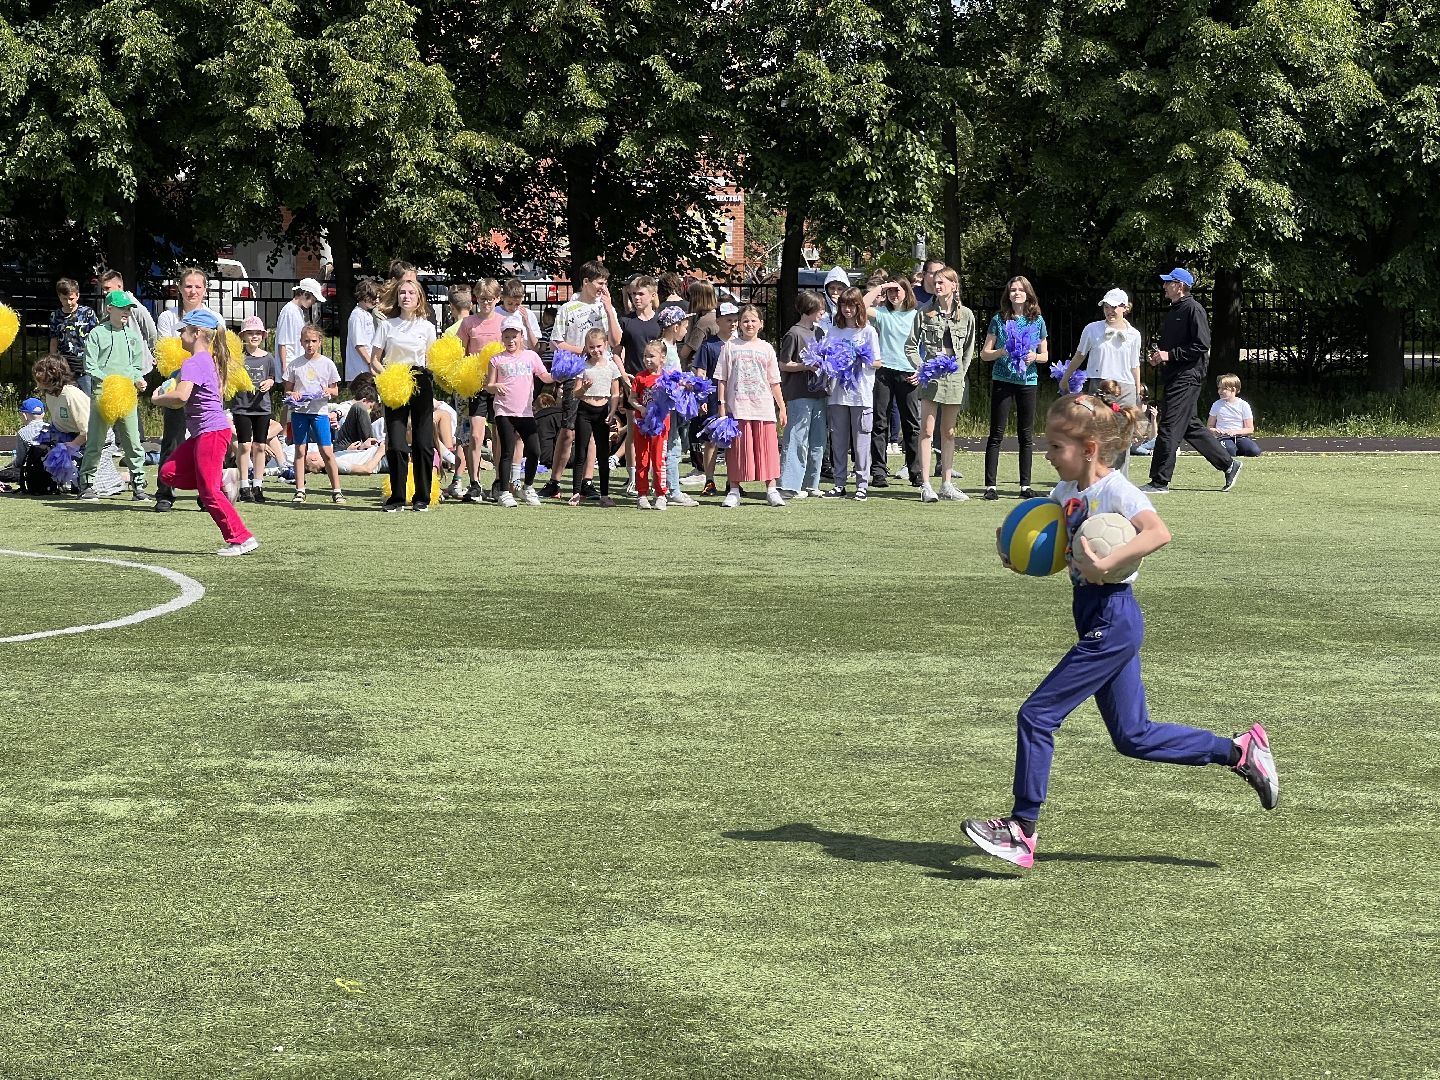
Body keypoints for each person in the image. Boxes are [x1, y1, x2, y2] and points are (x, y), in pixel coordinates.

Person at [962, 390, 1278, 867]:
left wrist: (1106, 562)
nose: (1048, 455)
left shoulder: (1117, 491)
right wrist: (1020, 554)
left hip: (1113, 616)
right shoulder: (1064, 494)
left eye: (1055, 447)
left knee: (1037, 714)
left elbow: (1159, 533)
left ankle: (1022, 830)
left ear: (1089, 449)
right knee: (1134, 736)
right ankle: (1239, 752)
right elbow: (1054, 546)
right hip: (1093, 615)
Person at [151, 309, 258, 555]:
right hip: (205, 433)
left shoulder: (194, 362)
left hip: (211, 433)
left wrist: (158, 399)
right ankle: (221, 479)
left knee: (209, 493)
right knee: (168, 473)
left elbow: (180, 397)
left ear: (197, 333)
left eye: (183, 331)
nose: (179, 336)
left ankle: (241, 539)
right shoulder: (204, 360)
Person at [1141, 268, 1242, 494]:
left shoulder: (1193, 309)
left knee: (1168, 427)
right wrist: (1161, 356)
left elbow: (1201, 345)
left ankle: (1159, 482)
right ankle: (1229, 464)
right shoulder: (1176, 309)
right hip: (1177, 376)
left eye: (1168, 283)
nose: (1164, 286)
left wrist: (1170, 355)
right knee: (1190, 427)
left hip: (1187, 377)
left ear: (1180, 286)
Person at [543, 261, 621, 500]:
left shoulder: (604, 307)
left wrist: (608, 309)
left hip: (601, 374)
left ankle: (587, 481)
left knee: (595, 429)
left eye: (605, 283)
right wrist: (585, 351)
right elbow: (557, 342)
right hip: (576, 373)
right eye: (599, 282)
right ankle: (555, 481)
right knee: (568, 430)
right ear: (586, 282)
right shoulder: (569, 307)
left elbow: (616, 341)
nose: (603, 287)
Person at [369, 278, 439, 511]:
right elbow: (374, 361)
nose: (406, 296)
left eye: (411, 293)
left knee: (422, 443)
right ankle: (397, 497)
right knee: (397, 443)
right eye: (402, 293)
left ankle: (422, 497)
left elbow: (432, 361)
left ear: (419, 298)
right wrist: (388, 378)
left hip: (420, 381)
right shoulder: (387, 325)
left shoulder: (427, 327)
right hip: (395, 381)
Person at [154, 267, 220, 513]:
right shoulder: (168, 317)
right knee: (172, 439)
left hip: (204, 389)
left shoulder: (215, 318)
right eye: (188, 286)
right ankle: (164, 493)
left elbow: (221, 355)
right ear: (180, 288)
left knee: (206, 442)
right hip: (178, 384)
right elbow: (165, 354)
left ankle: (208, 493)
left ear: (205, 289)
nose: (193, 291)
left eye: (198, 286)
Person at [78, 290, 152, 502]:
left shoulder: (132, 335)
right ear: (109, 308)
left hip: (127, 396)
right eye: (123, 308)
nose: (127, 312)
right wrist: (110, 381)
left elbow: (136, 366)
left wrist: (138, 378)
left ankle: (139, 486)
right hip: (103, 395)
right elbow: (90, 365)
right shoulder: (97, 334)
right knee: (96, 441)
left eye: (129, 309)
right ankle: (86, 485)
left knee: (133, 442)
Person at [979, 276, 1048, 500]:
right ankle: (991, 486)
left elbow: (1045, 356)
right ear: (1007, 294)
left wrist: (1034, 356)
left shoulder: (1037, 321)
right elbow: (984, 354)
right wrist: (1002, 352)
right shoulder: (999, 319)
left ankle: (1025, 486)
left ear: (1028, 294)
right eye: (1012, 290)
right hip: (1003, 379)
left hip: (1028, 381)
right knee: (996, 433)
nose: (1016, 293)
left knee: (1025, 435)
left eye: (1020, 290)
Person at [482, 313, 561, 507]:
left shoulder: (531, 356)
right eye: (507, 337)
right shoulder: (496, 359)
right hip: (504, 411)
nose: (510, 340)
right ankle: (503, 491)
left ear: (521, 337)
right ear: (502, 338)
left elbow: (545, 377)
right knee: (507, 451)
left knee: (534, 450)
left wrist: (561, 373)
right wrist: (495, 387)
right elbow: (488, 385)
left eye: (514, 336)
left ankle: (528, 487)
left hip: (525, 412)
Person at [1061, 288, 1142, 472]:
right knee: (1097, 434)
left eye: (1114, 307)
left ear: (1124, 307)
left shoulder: (1134, 334)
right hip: (1100, 386)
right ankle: (1095, 476)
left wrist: (1137, 393)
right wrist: (1066, 378)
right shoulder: (1092, 329)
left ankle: (1121, 480)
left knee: (1123, 437)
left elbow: (1134, 365)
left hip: (1126, 388)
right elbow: (1079, 355)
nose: (1109, 311)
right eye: (1106, 306)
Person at [715, 304, 786, 508]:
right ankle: (734, 490)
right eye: (745, 320)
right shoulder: (730, 347)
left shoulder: (766, 348)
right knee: (738, 451)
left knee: (767, 450)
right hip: (738, 408)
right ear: (739, 323)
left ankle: (771, 489)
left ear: (761, 324)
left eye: (753, 320)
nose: (749, 324)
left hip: (763, 407)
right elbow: (722, 378)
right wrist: (722, 405)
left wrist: (781, 406)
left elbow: (774, 380)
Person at [915, 266, 975, 503]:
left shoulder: (966, 315)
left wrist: (961, 374)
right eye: (935, 282)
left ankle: (947, 483)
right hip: (931, 377)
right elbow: (911, 345)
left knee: (948, 432)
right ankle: (926, 484)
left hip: (954, 378)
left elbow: (969, 350)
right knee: (927, 430)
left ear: (953, 286)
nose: (937, 286)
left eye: (942, 282)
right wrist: (922, 366)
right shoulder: (924, 312)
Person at [821, 288, 884, 501]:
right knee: (838, 440)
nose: (847, 309)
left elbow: (877, 362)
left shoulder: (868, 331)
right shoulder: (834, 330)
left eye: (852, 305)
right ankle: (839, 483)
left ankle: (861, 484)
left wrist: (859, 358)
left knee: (861, 442)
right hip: (837, 394)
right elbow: (826, 357)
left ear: (859, 307)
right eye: (843, 305)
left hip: (861, 393)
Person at [863, 275, 922, 488]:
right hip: (884, 373)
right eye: (890, 291)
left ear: (906, 291)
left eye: (897, 290)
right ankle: (878, 471)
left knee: (912, 425)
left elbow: (929, 346)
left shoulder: (917, 315)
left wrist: (922, 371)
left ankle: (915, 472)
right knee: (880, 423)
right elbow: (860, 306)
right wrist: (880, 286)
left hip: (909, 373)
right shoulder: (882, 313)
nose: (894, 294)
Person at [777, 290, 827, 498]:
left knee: (817, 439)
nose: (822, 314)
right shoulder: (794, 333)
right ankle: (789, 484)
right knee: (797, 438)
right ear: (809, 309)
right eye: (819, 310)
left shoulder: (819, 333)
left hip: (819, 392)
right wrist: (805, 366)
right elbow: (783, 364)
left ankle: (811, 483)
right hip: (799, 393)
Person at [286, 324, 343, 504]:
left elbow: (335, 390)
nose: (310, 345)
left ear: (320, 342)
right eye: (306, 341)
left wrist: (327, 391)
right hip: (300, 412)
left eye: (313, 341)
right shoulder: (295, 365)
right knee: (300, 450)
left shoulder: (327, 364)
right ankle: (300, 489)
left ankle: (337, 490)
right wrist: (293, 394)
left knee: (326, 451)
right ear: (301, 342)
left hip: (319, 412)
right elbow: (287, 390)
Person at [690, 300, 739, 496]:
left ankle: (732, 481)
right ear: (718, 321)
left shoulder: (740, 344)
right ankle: (709, 481)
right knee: (711, 441)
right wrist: (701, 398)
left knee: (732, 440)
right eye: (729, 320)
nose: (733, 324)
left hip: (736, 398)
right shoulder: (709, 345)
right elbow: (700, 372)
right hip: (712, 399)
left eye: (736, 319)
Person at [570, 327, 623, 507]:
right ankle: (576, 492)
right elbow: (575, 393)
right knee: (581, 452)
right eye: (591, 347)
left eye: (599, 346)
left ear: (606, 345)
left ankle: (605, 494)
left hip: (603, 411)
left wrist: (612, 411)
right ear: (586, 347)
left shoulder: (611, 366)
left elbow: (615, 393)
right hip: (584, 410)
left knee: (603, 453)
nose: (595, 350)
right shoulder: (583, 366)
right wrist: (583, 388)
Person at [231, 315, 280, 503]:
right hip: (242, 406)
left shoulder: (268, 358)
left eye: (257, 333)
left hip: (262, 408)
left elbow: (272, 378)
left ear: (263, 335)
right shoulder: (238, 357)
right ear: (243, 336)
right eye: (250, 333)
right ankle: (244, 485)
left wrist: (269, 382)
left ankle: (258, 485)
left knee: (260, 445)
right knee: (244, 445)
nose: (254, 336)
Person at [656, 305, 698, 506]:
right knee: (672, 446)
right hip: (667, 406)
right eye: (684, 325)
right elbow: (667, 379)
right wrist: (686, 384)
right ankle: (672, 490)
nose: (686, 329)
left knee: (672, 445)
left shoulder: (668, 347)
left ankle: (668, 488)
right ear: (674, 327)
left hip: (670, 405)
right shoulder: (665, 349)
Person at [31, 355, 91, 495]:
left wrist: (70, 446)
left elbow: (89, 430)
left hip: (93, 440)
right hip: (69, 437)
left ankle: (124, 478)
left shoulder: (71, 395)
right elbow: (56, 422)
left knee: (93, 485)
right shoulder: (50, 394)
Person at [630, 340, 670, 509]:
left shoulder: (668, 378)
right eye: (645, 356)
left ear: (662, 358)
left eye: (651, 356)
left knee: (659, 460)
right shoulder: (640, 377)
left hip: (661, 426)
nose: (647, 359)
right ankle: (642, 494)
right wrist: (641, 408)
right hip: (642, 425)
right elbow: (632, 398)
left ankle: (661, 494)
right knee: (642, 460)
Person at [48, 278, 99, 393]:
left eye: (71, 298)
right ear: (59, 297)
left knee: (86, 399)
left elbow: (97, 338)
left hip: (84, 363)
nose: (68, 302)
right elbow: (54, 340)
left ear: (77, 296)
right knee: (65, 397)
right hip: (63, 364)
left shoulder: (87, 313)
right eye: (64, 299)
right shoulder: (55, 316)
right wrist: (52, 361)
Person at [97, 268, 158, 350]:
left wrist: (151, 353)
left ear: (119, 286)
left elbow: (152, 332)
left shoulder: (135, 306)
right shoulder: (108, 304)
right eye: (103, 289)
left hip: (138, 358)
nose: (104, 292)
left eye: (107, 288)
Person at [1208, 374, 1263, 458]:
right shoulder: (1216, 405)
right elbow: (1210, 426)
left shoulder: (1243, 405)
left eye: (1223, 389)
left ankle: (1237, 449)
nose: (1219, 391)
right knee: (1229, 450)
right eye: (1219, 388)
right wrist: (1215, 431)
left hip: (1240, 437)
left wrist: (1235, 432)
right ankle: (1230, 449)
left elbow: (1250, 429)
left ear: (1233, 389)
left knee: (1254, 451)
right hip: (1223, 437)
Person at [275, 278, 324, 372]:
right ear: (305, 294)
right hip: (290, 365)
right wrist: (285, 368)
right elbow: (282, 343)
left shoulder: (298, 311)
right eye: (313, 300)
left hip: (297, 365)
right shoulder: (288, 311)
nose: (313, 303)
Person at [344, 278, 380, 383]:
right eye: (374, 297)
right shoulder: (357, 315)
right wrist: (370, 363)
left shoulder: (366, 314)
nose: (377, 301)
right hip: (359, 370)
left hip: (366, 369)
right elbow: (359, 344)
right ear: (365, 296)